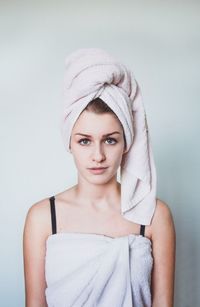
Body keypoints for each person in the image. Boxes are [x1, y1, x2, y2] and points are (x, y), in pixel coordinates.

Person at [23, 48, 176, 307]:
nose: (98, 155)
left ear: (127, 142)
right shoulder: (41, 218)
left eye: (110, 140)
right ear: (69, 142)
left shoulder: (154, 216)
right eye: (84, 141)